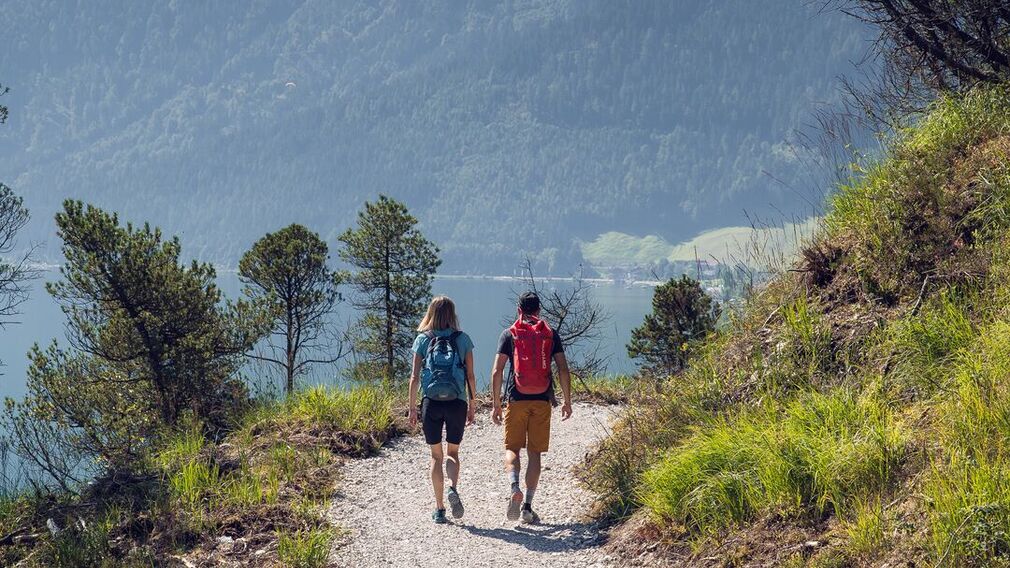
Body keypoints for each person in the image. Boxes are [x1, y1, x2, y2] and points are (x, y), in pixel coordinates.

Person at [491, 291, 573, 524]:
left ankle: (514, 486)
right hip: (542, 400)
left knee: (512, 448)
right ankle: (527, 507)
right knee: (534, 453)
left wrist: (496, 404)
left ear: (519, 310)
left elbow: (497, 371)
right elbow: (563, 368)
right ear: (539, 310)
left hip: (516, 399)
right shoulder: (550, 334)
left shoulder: (509, 334)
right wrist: (567, 401)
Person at [408, 296, 477, 524]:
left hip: (431, 403)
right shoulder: (463, 339)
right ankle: (452, 487)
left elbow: (414, 377)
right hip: (457, 402)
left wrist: (412, 408)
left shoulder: (422, 339)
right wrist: (473, 404)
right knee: (452, 453)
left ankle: (439, 509)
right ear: (452, 314)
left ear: (431, 313)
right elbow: (470, 376)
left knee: (436, 456)